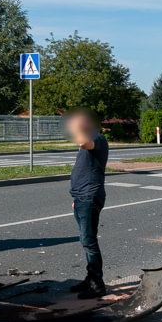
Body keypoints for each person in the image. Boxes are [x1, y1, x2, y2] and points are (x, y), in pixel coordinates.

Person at [66, 108, 109, 299]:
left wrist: (75, 127)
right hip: (82, 198)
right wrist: (76, 199)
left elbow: (83, 142)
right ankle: (90, 278)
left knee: (89, 241)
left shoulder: (96, 139)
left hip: (89, 197)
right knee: (86, 241)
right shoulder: (90, 139)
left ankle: (97, 284)